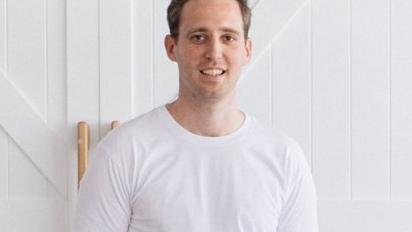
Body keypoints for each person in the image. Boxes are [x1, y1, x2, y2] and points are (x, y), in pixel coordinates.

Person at [74, 0, 319, 231]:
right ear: (172, 47)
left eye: (228, 37)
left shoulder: (285, 158)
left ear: (246, 49)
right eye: (199, 37)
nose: (214, 52)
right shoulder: (123, 152)